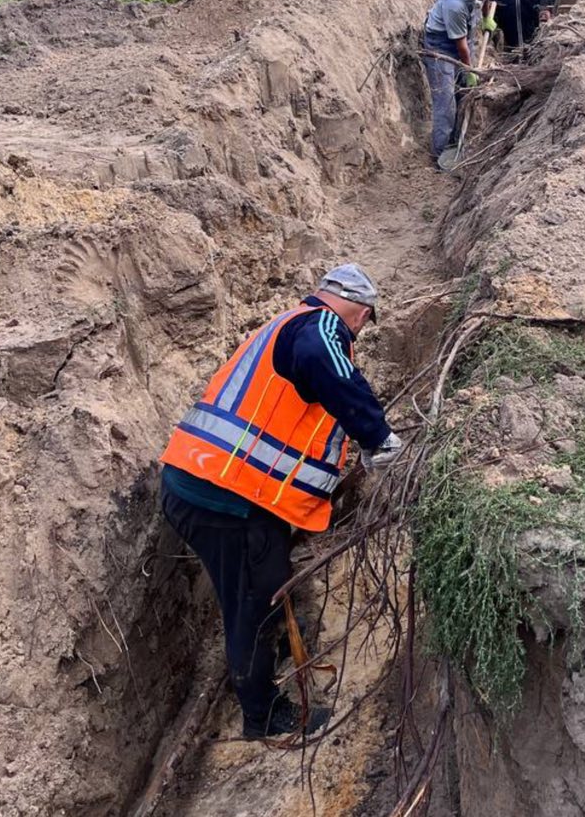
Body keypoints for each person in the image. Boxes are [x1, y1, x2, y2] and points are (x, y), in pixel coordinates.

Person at [158, 264, 403, 740]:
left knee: (263, 579)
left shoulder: (284, 324)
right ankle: (263, 715)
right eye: (364, 322)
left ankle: (275, 637)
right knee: (252, 602)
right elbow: (324, 361)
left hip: (206, 482)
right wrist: (378, 436)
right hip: (226, 498)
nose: (359, 331)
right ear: (360, 311)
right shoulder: (320, 327)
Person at [422, 0, 499, 160]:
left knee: (463, 92)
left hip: (463, 36)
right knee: (446, 102)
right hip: (440, 45)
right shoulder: (455, 2)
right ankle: (440, 153)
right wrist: (469, 70)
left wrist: (485, 19)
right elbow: (461, 46)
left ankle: (456, 140)